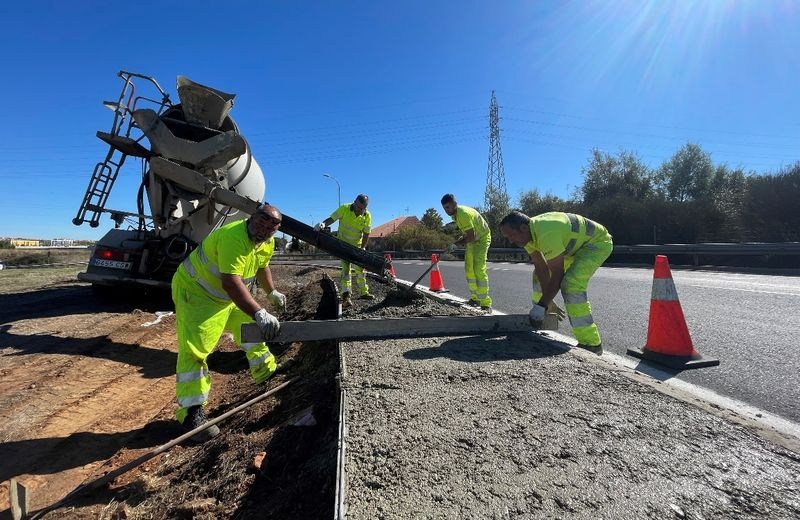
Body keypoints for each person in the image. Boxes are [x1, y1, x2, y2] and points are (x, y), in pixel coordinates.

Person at [171, 204, 286, 442]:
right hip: (197, 293)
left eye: (270, 228)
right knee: (196, 350)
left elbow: (263, 267)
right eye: (260, 223)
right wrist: (259, 312)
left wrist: (272, 292)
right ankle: (190, 414)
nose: (263, 230)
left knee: (253, 332)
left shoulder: (267, 242)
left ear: (276, 230)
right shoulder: (234, 237)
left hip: (226, 297)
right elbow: (231, 282)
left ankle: (266, 374)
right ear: (251, 218)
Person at [499, 210, 613, 354]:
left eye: (511, 235)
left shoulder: (546, 232)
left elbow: (558, 275)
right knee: (537, 275)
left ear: (523, 228)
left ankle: (591, 344)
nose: (510, 241)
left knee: (571, 285)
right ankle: (541, 318)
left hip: (596, 244)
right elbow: (541, 266)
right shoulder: (528, 235)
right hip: (573, 248)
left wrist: (542, 304)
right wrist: (548, 302)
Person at [315, 194, 373, 308]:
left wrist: (363, 247)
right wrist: (323, 224)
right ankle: (346, 296)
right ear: (354, 203)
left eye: (363, 209)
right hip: (343, 245)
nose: (361, 211)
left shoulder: (367, 215)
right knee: (346, 271)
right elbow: (332, 218)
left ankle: (364, 292)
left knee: (360, 271)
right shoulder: (345, 208)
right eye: (359, 208)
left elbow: (366, 233)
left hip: (356, 247)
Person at [441, 193, 492, 310]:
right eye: (444, 208)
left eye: (448, 207)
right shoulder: (455, 215)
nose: (446, 211)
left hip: (482, 239)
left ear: (455, 204)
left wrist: (456, 245)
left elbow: (472, 236)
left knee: (478, 268)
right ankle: (475, 298)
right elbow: (469, 234)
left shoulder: (463, 214)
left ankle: (485, 303)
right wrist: (458, 241)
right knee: (469, 269)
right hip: (473, 239)